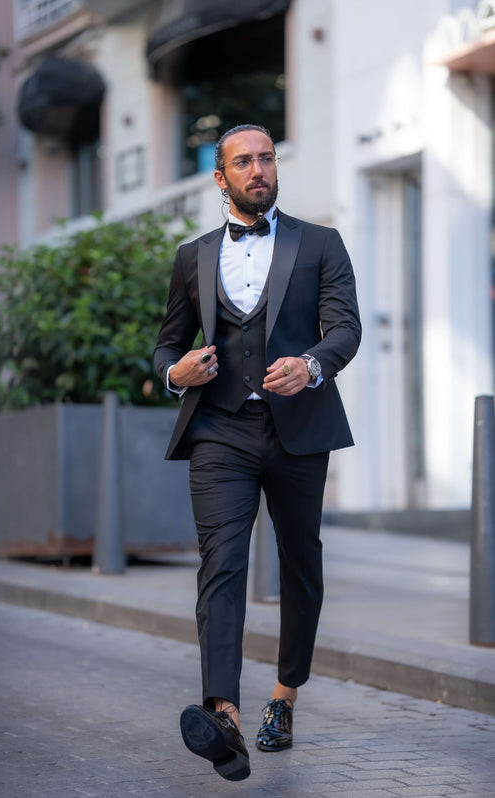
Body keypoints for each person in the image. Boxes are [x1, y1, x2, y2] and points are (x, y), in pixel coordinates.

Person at [154, 124, 361, 782]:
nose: (257, 169)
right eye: (242, 161)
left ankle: (283, 696)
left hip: (298, 428)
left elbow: (345, 326)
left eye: (265, 157)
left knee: (300, 566)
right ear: (220, 178)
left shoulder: (320, 243)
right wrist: (174, 373)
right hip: (219, 429)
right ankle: (223, 712)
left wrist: (311, 364)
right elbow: (166, 345)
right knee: (222, 562)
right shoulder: (192, 256)